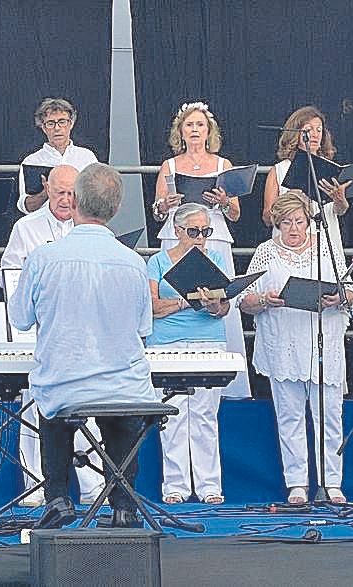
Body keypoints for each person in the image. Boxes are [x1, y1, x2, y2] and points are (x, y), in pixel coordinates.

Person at [9, 164, 161, 529]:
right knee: (122, 413)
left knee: (54, 410)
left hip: (64, 383)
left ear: (74, 201)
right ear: (116, 207)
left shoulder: (44, 258)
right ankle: (123, 503)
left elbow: (20, 319)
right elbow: (144, 328)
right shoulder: (134, 262)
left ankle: (58, 495)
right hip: (123, 385)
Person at [241, 192, 353, 505]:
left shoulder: (327, 246)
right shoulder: (266, 251)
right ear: (277, 224)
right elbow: (245, 299)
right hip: (284, 345)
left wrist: (342, 297)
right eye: (287, 222)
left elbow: (350, 289)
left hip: (324, 342)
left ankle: (332, 483)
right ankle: (297, 484)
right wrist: (265, 300)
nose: (293, 228)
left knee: (330, 415)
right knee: (290, 416)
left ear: (309, 221)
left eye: (299, 221)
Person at [0, 165, 103, 508]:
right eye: (60, 192)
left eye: (73, 193)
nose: (67, 199)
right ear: (46, 188)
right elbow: (9, 276)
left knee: (88, 408)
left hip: (85, 334)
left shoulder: (91, 228)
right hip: (42, 333)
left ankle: (93, 485)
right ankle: (36, 486)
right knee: (35, 409)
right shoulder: (25, 228)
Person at [149, 102, 251, 399]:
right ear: (181, 131)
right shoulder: (169, 165)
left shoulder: (223, 165)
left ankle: (226, 377)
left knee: (218, 296)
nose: (195, 130)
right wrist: (164, 206)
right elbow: (156, 212)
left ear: (209, 132)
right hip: (177, 236)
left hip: (213, 237)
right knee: (174, 290)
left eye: (200, 125)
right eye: (189, 125)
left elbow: (235, 214)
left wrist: (222, 200)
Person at [147, 204, 230, 505]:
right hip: (167, 345)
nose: (199, 238)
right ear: (177, 231)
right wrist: (186, 302)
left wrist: (211, 305)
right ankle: (176, 485)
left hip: (208, 342)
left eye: (205, 232)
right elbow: (152, 308)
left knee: (206, 416)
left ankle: (209, 485)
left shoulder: (216, 258)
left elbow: (223, 309)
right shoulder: (157, 261)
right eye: (193, 231)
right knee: (173, 416)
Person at [262, 105, 350, 258]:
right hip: (290, 243)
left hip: (324, 238)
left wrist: (340, 200)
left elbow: (339, 211)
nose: (315, 135)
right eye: (309, 130)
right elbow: (267, 218)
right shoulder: (279, 170)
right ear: (295, 133)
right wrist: (288, 203)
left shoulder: (330, 169)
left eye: (319, 130)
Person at [16, 98, 98, 213]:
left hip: (79, 226)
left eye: (62, 121)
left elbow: (96, 198)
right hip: (43, 226)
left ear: (71, 124)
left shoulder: (87, 157)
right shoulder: (31, 161)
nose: (57, 128)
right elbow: (25, 207)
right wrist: (46, 193)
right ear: (43, 128)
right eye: (50, 123)